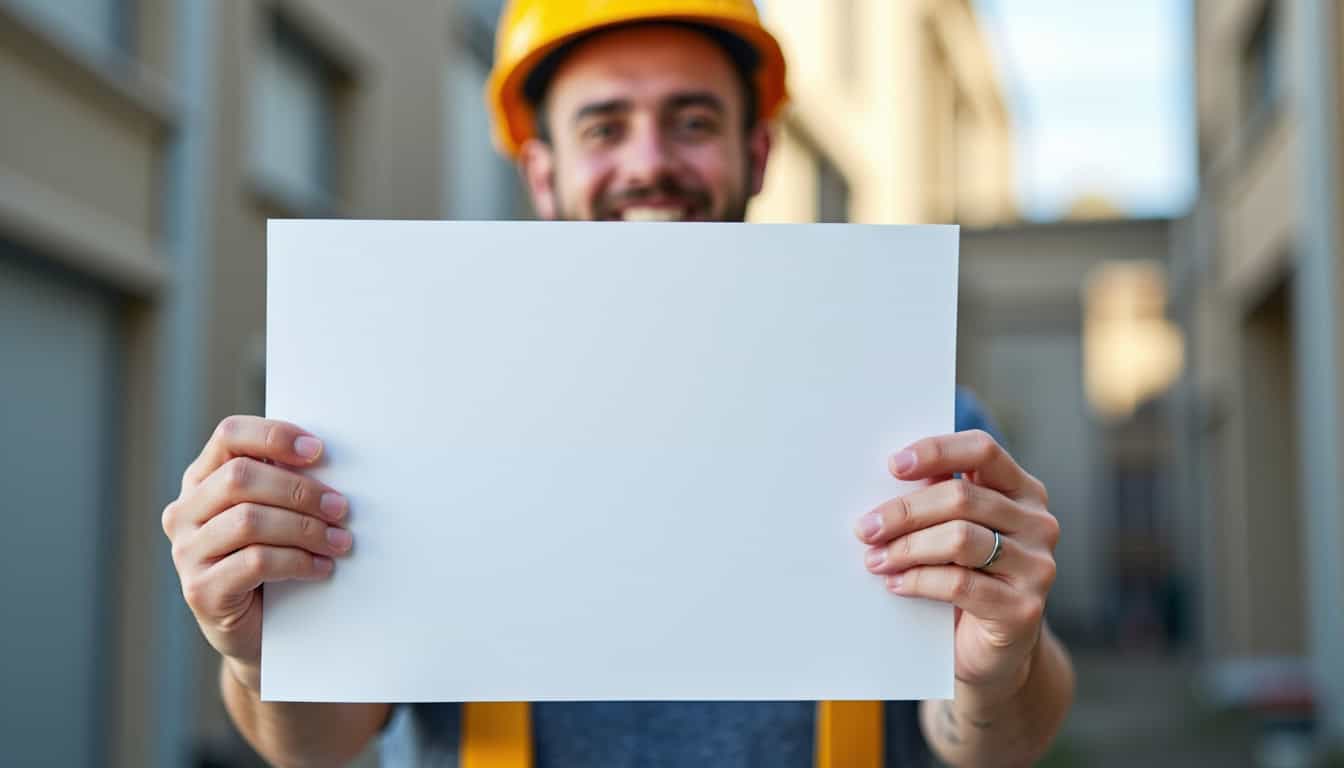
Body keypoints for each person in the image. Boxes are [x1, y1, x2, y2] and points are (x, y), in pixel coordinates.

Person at [160, 1, 1075, 765]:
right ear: (543, 171)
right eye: (605, 126)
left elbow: (992, 743)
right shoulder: (408, 408)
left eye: (692, 120)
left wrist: (998, 668)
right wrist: (257, 655)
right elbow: (321, 744)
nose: (648, 163)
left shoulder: (911, 415)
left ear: (756, 156)